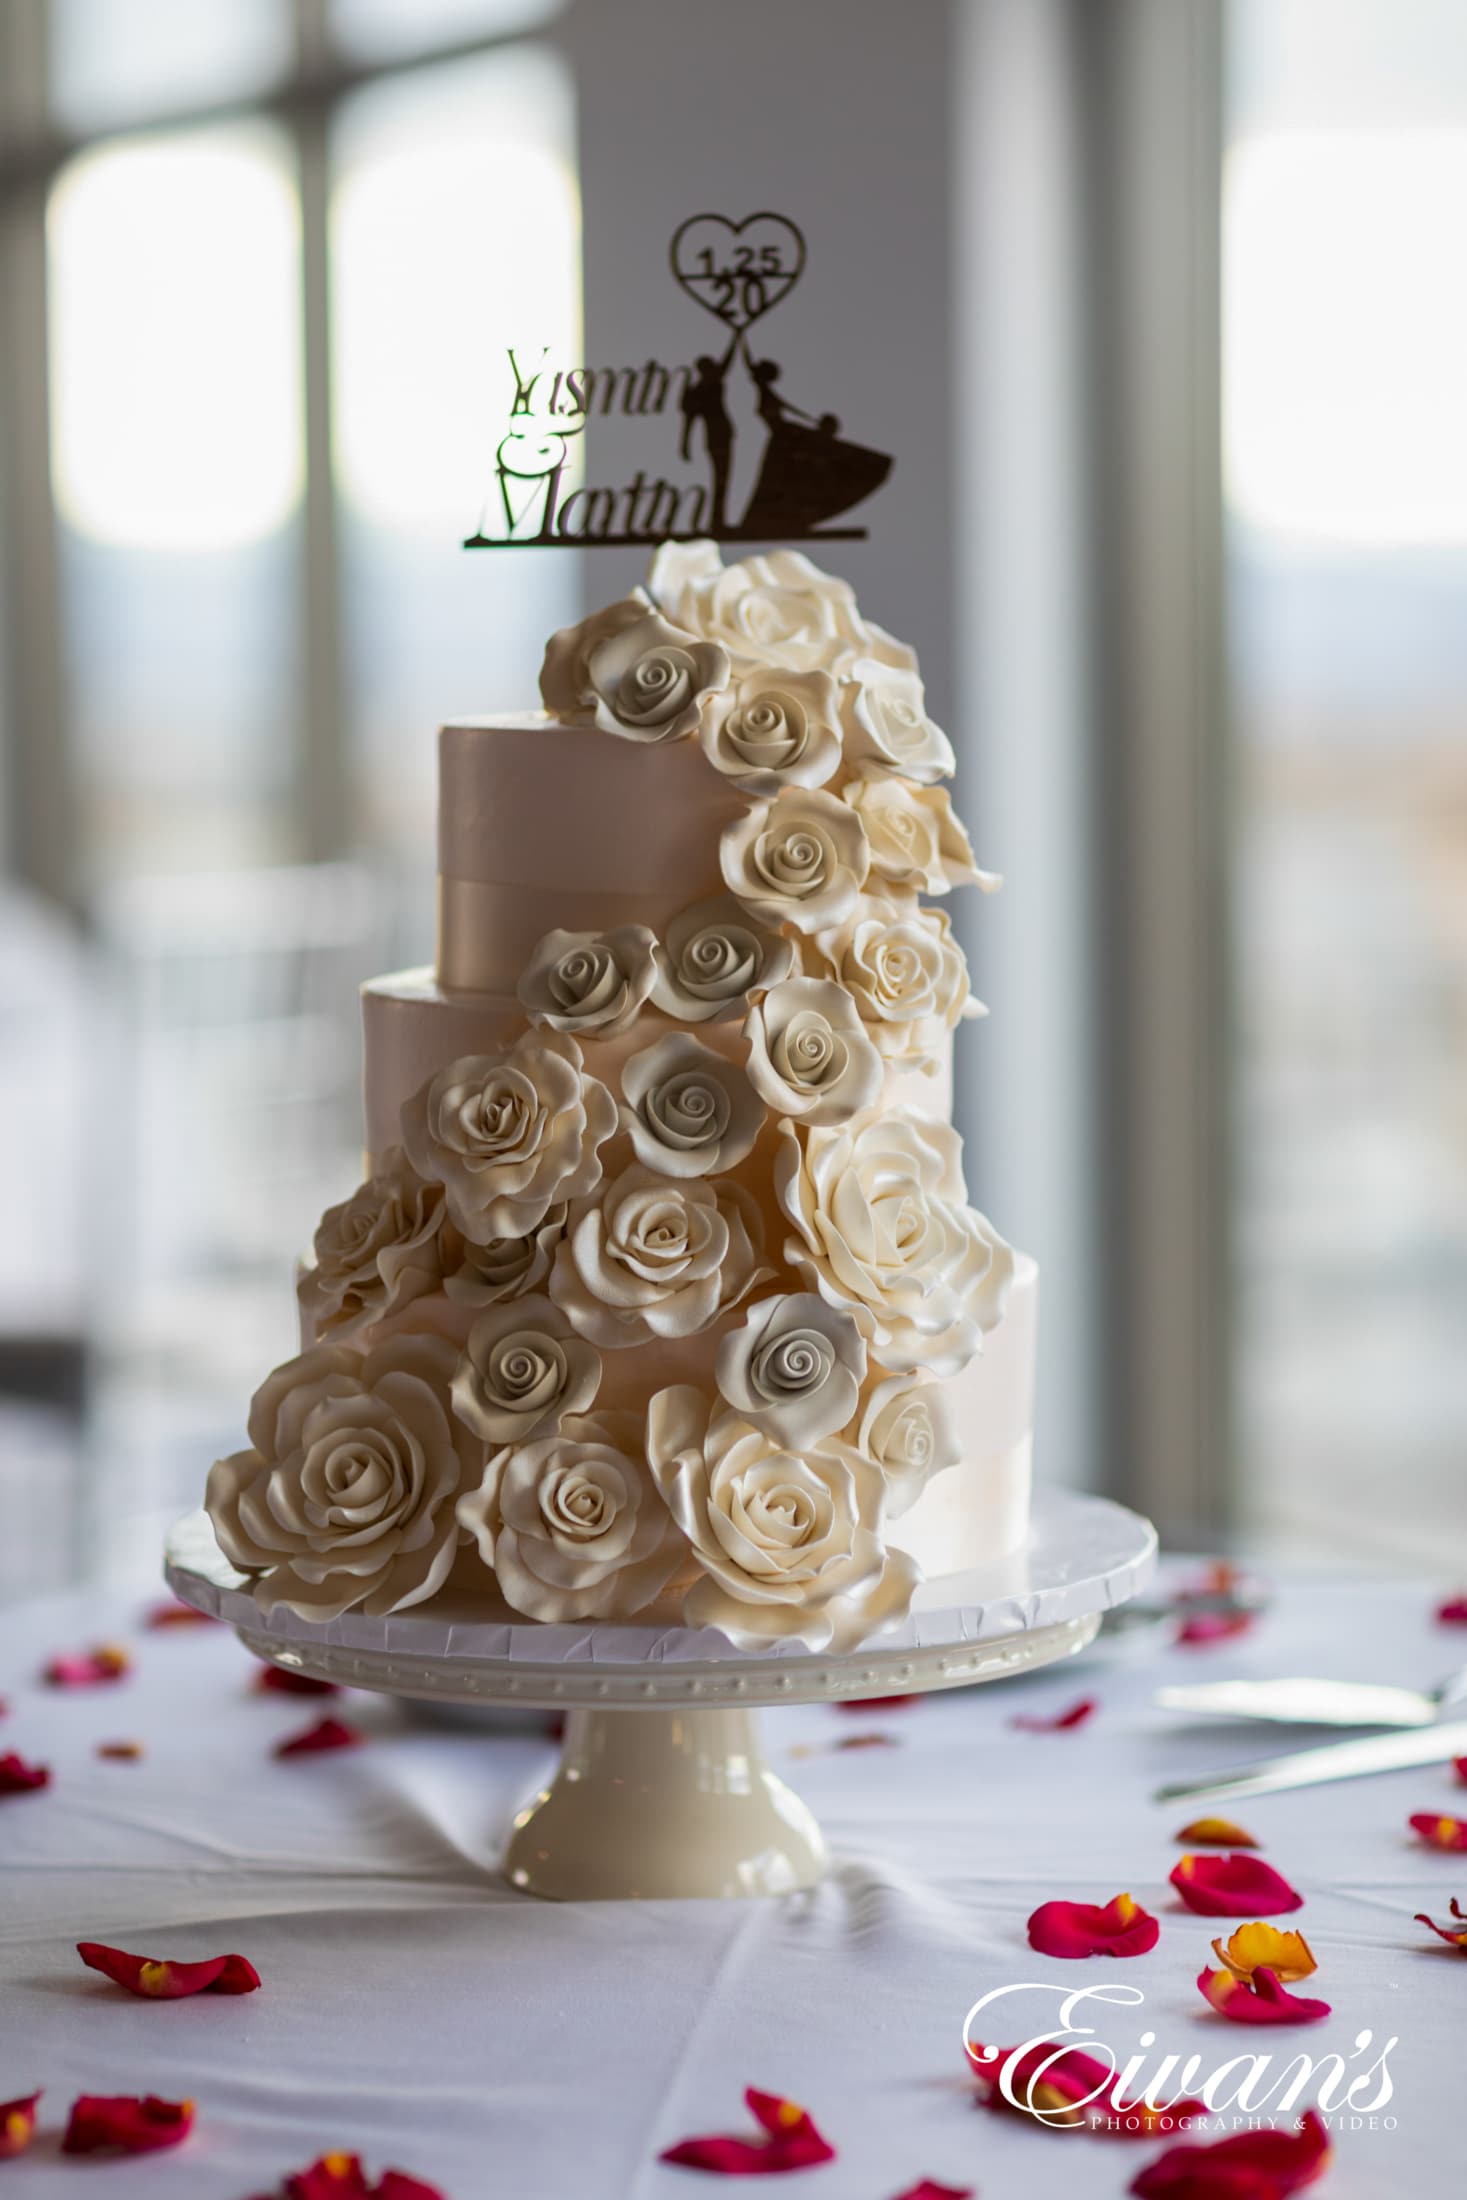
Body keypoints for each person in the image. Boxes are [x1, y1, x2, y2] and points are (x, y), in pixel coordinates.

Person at [679, 340, 737, 532]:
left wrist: (736, 337)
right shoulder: (701, 390)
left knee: (722, 478)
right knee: (720, 478)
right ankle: (717, 521)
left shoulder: (707, 385)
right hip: (716, 436)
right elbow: (689, 422)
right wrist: (684, 445)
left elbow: (726, 361)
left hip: (723, 433)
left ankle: (718, 520)